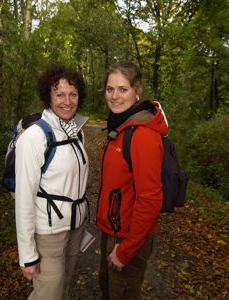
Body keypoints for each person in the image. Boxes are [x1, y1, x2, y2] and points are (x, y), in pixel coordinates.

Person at [15, 64, 89, 300]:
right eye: (59, 94)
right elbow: (24, 199)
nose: (67, 101)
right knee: (48, 293)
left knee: (63, 287)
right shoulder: (35, 137)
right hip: (49, 234)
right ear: (48, 97)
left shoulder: (76, 131)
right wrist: (27, 255)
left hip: (75, 229)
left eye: (73, 94)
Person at [96, 61, 168, 299]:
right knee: (108, 287)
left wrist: (126, 250)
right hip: (114, 229)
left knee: (122, 293)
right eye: (110, 89)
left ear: (138, 91)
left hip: (128, 237)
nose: (115, 96)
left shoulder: (143, 135)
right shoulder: (121, 125)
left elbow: (150, 199)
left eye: (123, 89)